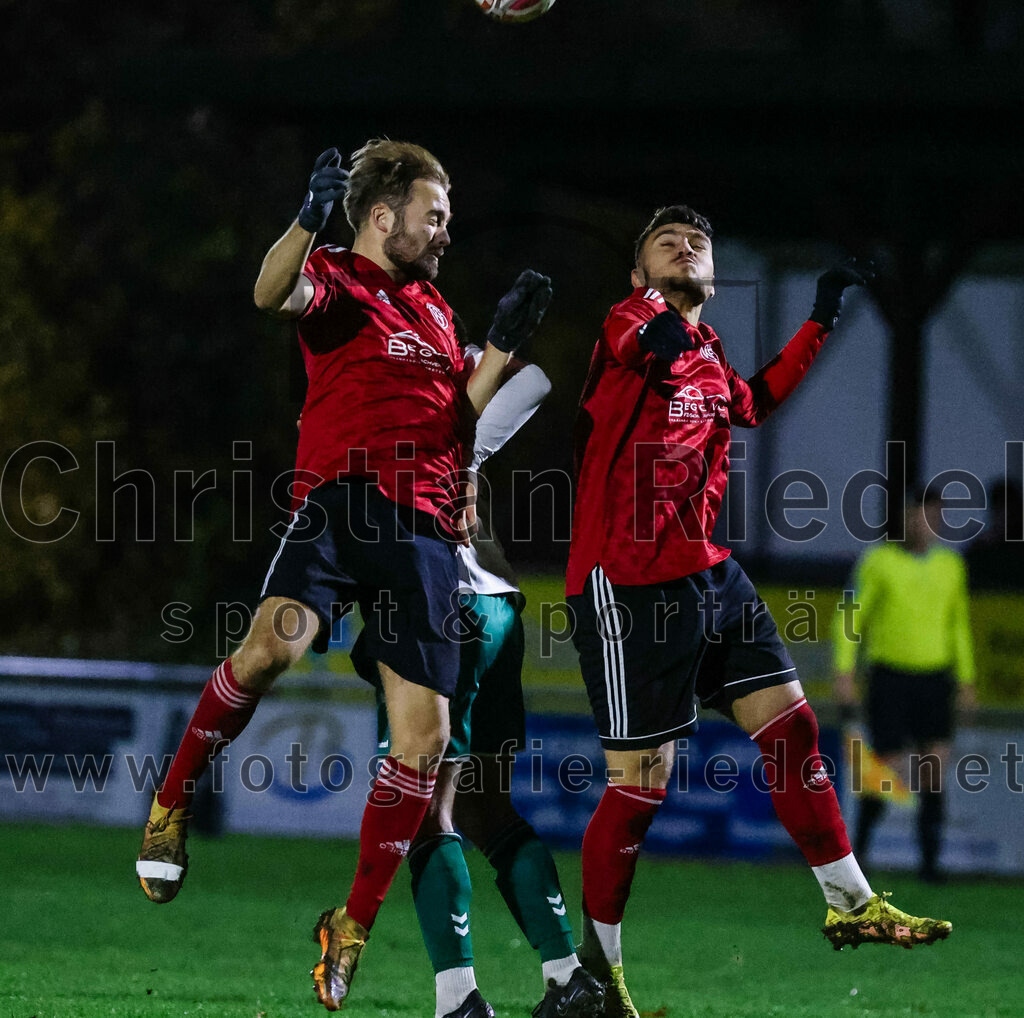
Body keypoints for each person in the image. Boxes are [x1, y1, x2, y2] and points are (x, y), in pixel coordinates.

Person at [135, 140, 553, 1014]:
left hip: (424, 535)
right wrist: (304, 218)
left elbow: (461, 415)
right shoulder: (336, 275)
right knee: (270, 651)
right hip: (342, 506)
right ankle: (171, 802)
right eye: (434, 216)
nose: (446, 232)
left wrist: (503, 345)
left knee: (424, 742)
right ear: (382, 216)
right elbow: (269, 293)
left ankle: (350, 925)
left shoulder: (435, 309)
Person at [565, 205, 951, 1017]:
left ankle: (851, 902)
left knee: (794, 729)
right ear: (639, 273)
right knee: (641, 784)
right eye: (667, 242)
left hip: (710, 573)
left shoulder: (705, 349)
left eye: (697, 242)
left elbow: (754, 400)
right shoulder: (630, 320)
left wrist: (820, 318)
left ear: (714, 270)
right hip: (628, 580)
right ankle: (595, 976)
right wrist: (664, 325)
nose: (685, 247)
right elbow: (643, 344)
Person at [363, 338, 604, 1018]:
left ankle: (458, 998)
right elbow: (536, 379)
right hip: (497, 605)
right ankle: (567, 977)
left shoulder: (376, 380)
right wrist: (467, 451)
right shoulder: (444, 367)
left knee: (424, 812)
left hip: (436, 609)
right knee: (486, 809)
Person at [834, 488, 977, 883]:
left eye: (933, 516)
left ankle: (930, 865)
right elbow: (850, 615)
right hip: (890, 678)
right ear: (904, 518)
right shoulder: (879, 561)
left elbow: (958, 624)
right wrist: (843, 670)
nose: (924, 524)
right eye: (917, 515)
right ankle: (858, 856)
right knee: (888, 769)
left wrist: (966, 679)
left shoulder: (951, 565)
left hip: (936, 679)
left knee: (934, 768)